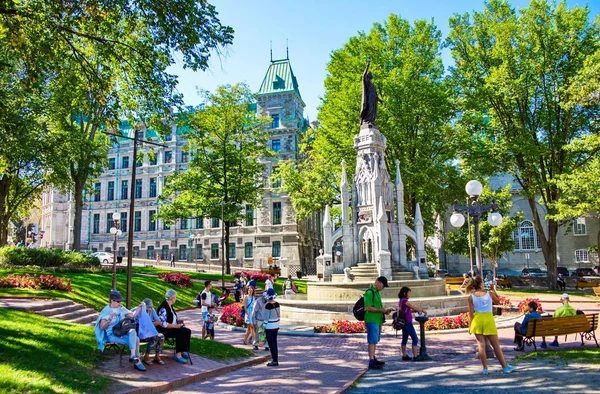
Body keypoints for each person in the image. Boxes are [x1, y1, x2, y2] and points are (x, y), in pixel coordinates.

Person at [467, 277, 515, 374]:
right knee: (496, 346)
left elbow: (471, 313)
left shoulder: (471, 297)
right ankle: (505, 367)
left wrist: (470, 326)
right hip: (488, 319)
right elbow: (498, 301)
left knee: (481, 345)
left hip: (477, 320)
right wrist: (493, 288)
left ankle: (485, 369)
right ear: (480, 283)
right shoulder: (489, 294)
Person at [94, 290, 147, 371]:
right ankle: (137, 361)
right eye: (118, 301)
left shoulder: (121, 308)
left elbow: (132, 315)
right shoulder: (106, 311)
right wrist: (109, 320)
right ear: (112, 300)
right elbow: (101, 327)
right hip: (112, 335)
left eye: (120, 301)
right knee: (136, 339)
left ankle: (133, 356)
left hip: (121, 332)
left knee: (132, 331)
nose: (120, 303)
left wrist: (139, 308)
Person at [364, 276, 393, 370]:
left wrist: (385, 311)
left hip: (377, 320)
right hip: (371, 320)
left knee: (375, 341)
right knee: (372, 341)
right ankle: (371, 361)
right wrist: (381, 310)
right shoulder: (369, 292)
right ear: (377, 282)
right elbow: (368, 307)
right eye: (383, 285)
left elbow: (378, 307)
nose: (383, 288)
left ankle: (373, 357)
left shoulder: (377, 293)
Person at [156, 289, 192, 363]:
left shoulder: (170, 306)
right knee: (180, 332)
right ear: (172, 298)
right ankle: (178, 355)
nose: (176, 299)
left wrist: (178, 323)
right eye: (175, 297)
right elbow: (162, 323)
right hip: (164, 330)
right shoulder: (163, 307)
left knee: (187, 331)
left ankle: (183, 350)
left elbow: (173, 318)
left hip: (172, 327)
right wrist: (175, 326)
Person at [397, 286, 427, 361]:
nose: (409, 295)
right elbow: (413, 307)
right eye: (408, 293)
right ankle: (415, 356)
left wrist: (414, 311)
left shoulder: (400, 301)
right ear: (405, 293)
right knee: (415, 339)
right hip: (407, 322)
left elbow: (407, 310)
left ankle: (404, 355)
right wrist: (422, 310)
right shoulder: (405, 301)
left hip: (403, 322)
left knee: (404, 339)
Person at [133, 298, 166, 365]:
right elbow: (128, 317)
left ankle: (157, 356)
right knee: (154, 337)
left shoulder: (152, 310)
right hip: (139, 333)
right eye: (147, 308)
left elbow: (158, 321)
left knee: (161, 336)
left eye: (150, 308)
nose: (148, 310)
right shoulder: (136, 310)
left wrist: (149, 324)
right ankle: (147, 356)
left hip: (149, 332)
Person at [264, 288, 280, 366]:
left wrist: (263, 327)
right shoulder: (277, 304)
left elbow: (266, 319)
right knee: (275, 343)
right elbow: (279, 315)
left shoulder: (267, 306)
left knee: (271, 344)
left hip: (269, 326)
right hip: (276, 325)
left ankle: (274, 360)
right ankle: (276, 359)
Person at [251, 286, 268, 351]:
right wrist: (254, 321)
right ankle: (255, 344)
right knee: (258, 333)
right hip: (259, 320)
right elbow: (254, 311)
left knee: (267, 333)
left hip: (267, 320)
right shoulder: (258, 301)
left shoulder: (270, 301)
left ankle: (267, 345)